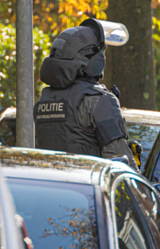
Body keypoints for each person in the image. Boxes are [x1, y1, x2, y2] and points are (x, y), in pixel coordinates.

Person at [34, 19, 136, 169]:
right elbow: (120, 161)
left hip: (50, 188)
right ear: (91, 58)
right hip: (88, 189)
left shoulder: (42, 101)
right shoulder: (100, 101)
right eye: (101, 51)